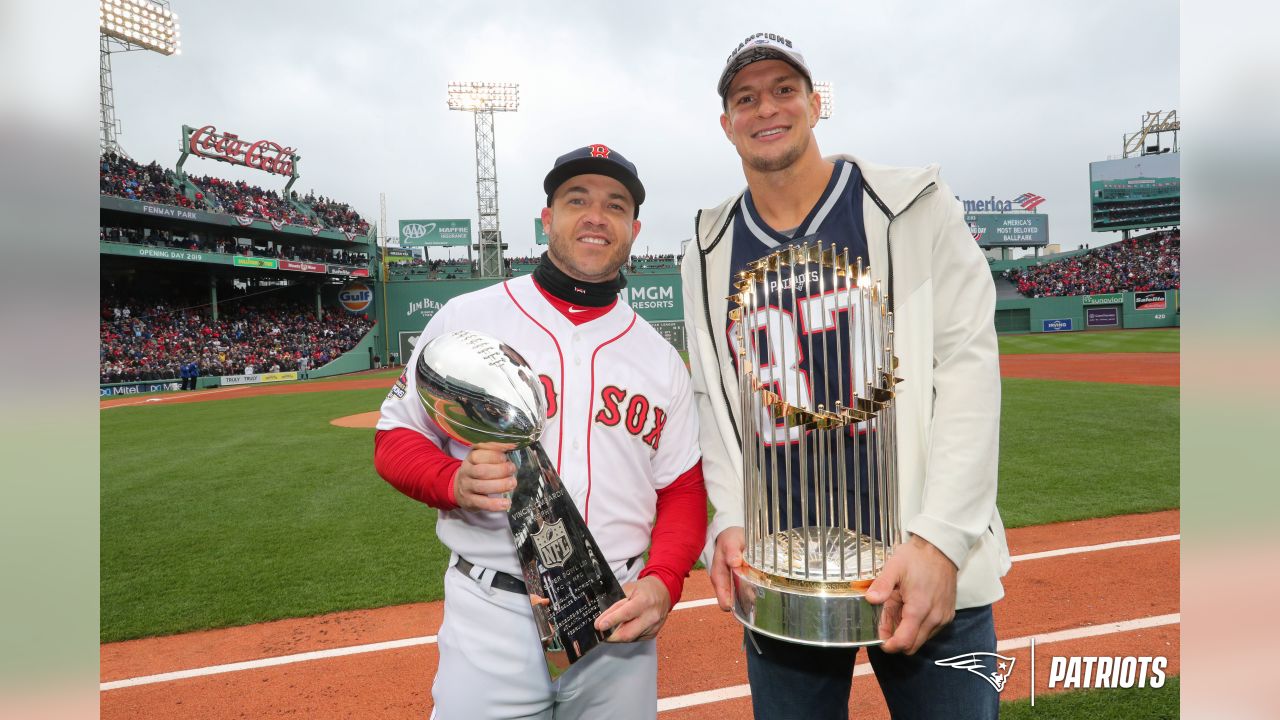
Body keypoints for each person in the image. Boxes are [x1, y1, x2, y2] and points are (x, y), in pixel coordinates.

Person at [681, 34, 1011, 719]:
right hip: (783, 565)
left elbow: (969, 370)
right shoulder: (706, 245)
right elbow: (716, 398)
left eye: (783, 90)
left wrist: (942, 542)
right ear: (726, 124)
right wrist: (732, 517)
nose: (766, 108)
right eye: (746, 97)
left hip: (915, 559)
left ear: (814, 103)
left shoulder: (913, 206)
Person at [374, 144, 707, 719]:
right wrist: (451, 481)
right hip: (492, 609)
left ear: (634, 228)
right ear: (548, 218)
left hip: (619, 609)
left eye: (616, 205)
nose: (597, 216)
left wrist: (665, 580)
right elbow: (395, 436)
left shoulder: (659, 360)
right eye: (578, 200)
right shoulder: (467, 318)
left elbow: (681, 489)